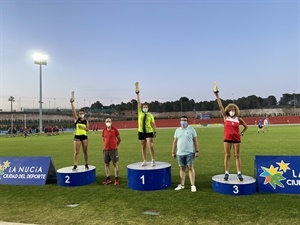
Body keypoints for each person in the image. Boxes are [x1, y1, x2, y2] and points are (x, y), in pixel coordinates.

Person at [213, 82, 247, 181]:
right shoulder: (225, 117)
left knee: (237, 155)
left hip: (236, 139)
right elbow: (220, 106)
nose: (232, 110)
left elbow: (246, 126)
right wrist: (217, 95)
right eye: (230, 109)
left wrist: (242, 132)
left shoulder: (238, 119)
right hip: (227, 139)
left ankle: (239, 173)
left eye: (233, 109)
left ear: (235, 110)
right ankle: (226, 173)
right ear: (228, 110)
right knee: (227, 155)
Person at [172, 116, 199, 192]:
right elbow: (175, 141)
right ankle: (182, 184)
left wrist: (197, 151)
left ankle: (193, 185)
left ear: (187, 121)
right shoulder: (177, 130)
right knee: (182, 168)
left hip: (189, 152)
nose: (183, 122)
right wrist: (173, 152)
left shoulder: (191, 129)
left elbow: (195, 141)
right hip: (180, 153)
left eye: (184, 120)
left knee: (190, 167)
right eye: (181, 120)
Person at [135, 81, 157, 166]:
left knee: (150, 145)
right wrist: (137, 93)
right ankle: (144, 160)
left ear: (148, 108)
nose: (144, 108)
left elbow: (153, 124)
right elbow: (138, 102)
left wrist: (155, 131)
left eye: (146, 107)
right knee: (143, 146)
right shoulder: (140, 112)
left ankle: (152, 159)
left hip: (148, 131)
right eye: (144, 107)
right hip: (141, 131)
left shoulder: (150, 115)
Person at [70, 98, 89, 171]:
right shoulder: (76, 119)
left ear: (84, 114)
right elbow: (73, 111)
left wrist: (83, 128)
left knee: (85, 151)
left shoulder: (86, 121)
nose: (81, 114)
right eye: (80, 113)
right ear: (78, 114)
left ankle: (86, 164)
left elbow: (88, 129)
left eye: (82, 113)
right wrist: (71, 103)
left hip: (84, 137)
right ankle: (75, 165)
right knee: (76, 152)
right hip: (77, 136)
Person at [101, 118, 121, 185]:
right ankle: (108, 179)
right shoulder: (103, 131)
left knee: (115, 164)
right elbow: (104, 139)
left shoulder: (115, 130)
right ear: (105, 122)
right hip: (106, 150)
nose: (108, 122)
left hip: (113, 150)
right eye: (107, 121)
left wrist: (115, 146)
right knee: (106, 164)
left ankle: (116, 179)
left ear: (111, 122)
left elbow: (119, 139)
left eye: (109, 121)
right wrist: (105, 147)